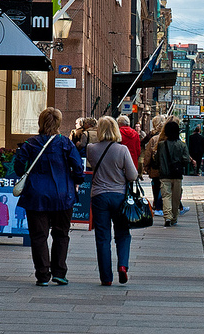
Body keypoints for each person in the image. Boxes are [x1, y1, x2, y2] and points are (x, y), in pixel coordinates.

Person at [14, 107, 84, 286]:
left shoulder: (31, 143)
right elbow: (77, 167)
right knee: (61, 234)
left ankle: (42, 274)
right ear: (59, 123)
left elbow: (19, 167)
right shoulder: (65, 143)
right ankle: (59, 272)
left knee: (39, 236)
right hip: (63, 194)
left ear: (40, 122)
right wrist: (76, 181)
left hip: (36, 195)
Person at [87, 116, 138, 286]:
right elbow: (132, 176)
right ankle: (122, 265)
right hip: (119, 196)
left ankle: (106, 277)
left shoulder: (91, 148)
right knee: (123, 233)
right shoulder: (122, 150)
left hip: (99, 196)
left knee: (102, 237)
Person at [157, 120, 191, 227]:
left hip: (164, 175)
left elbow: (157, 159)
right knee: (176, 198)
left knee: (166, 196)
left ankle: (167, 216)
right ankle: (174, 218)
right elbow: (186, 160)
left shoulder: (161, 145)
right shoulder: (182, 145)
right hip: (177, 175)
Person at [142, 115, 165, 215]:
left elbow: (147, 154)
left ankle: (157, 205)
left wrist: (146, 167)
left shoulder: (151, 136)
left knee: (156, 186)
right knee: (165, 187)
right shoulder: (167, 137)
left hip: (154, 167)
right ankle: (162, 206)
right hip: (165, 167)